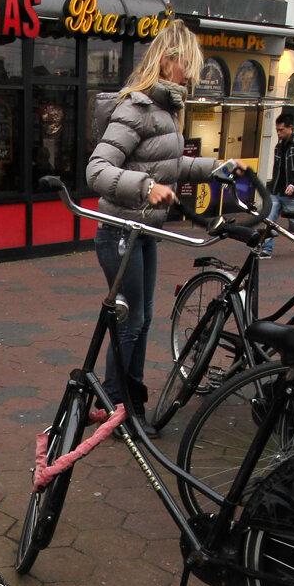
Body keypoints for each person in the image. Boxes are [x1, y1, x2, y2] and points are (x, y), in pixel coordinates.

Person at [85, 20, 218, 418]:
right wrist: (144, 187)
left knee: (142, 319)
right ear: (168, 60)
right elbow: (97, 170)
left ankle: (125, 397)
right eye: (188, 66)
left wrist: (217, 168)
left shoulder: (163, 108)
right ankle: (113, 401)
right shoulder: (137, 107)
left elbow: (170, 164)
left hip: (143, 230)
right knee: (131, 320)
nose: (192, 76)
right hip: (119, 232)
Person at [262, 113, 294, 258]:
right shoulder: (279, 146)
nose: (279, 133)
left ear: (290, 128)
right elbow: (277, 168)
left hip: (292, 192)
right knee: (269, 219)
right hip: (277, 190)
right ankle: (266, 249)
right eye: (277, 130)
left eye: (281, 130)